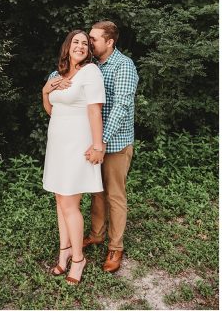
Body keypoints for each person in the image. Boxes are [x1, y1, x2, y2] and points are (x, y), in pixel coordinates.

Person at [41, 29, 105, 285]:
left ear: (88, 51)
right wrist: (46, 91)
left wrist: (98, 145)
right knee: (60, 201)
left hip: (77, 145)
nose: (80, 46)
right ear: (67, 47)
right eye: (75, 42)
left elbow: (94, 111)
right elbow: (51, 110)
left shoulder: (91, 72)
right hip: (57, 144)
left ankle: (78, 259)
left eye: (84, 43)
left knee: (69, 204)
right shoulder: (59, 76)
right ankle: (64, 250)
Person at [81, 20, 138, 273]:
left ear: (110, 42)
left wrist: (101, 141)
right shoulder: (93, 66)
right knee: (96, 192)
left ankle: (116, 247)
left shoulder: (124, 66)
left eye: (93, 38)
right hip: (96, 143)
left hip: (115, 143)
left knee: (115, 195)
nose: (89, 42)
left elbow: (122, 107)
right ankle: (97, 234)